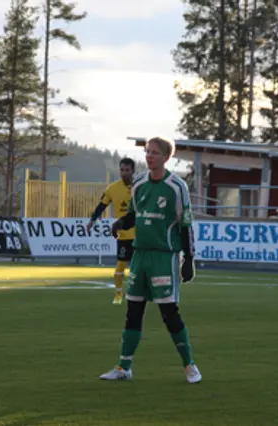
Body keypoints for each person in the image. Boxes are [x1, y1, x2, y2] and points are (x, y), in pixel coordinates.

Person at [99, 136, 202, 384]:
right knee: (133, 311)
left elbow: (186, 223)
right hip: (140, 256)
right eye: (147, 152)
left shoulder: (176, 187)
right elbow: (135, 214)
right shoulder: (140, 185)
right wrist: (122, 222)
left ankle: (189, 365)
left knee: (169, 312)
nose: (149, 156)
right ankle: (124, 367)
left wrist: (189, 258)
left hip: (163, 257)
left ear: (166, 158)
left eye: (155, 152)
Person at [86, 157, 136, 305]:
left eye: (127, 170)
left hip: (140, 235)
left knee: (137, 269)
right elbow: (101, 206)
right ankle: (118, 295)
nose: (124, 173)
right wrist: (91, 221)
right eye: (122, 170)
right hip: (123, 235)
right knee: (120, 266)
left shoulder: (139, 187)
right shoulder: (112, 188)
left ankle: (135, 295)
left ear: (133, 171)